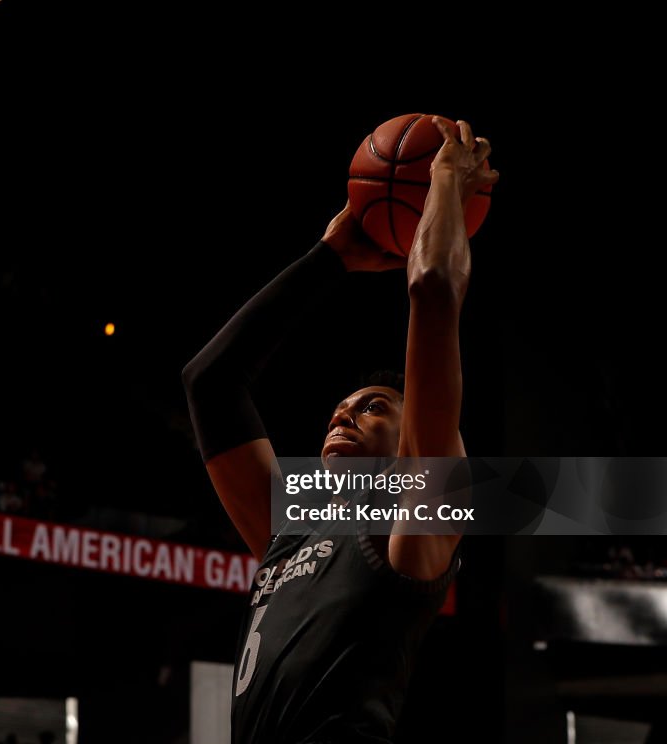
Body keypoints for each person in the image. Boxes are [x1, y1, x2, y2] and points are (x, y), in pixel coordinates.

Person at [182, 117, 498, 743]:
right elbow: (209, 383)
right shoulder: (290, 528)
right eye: (338, 410)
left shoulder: (418, 525)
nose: (343, 415)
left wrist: (441, 183)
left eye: (374, 407)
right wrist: (328, 259)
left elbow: (434, 289)